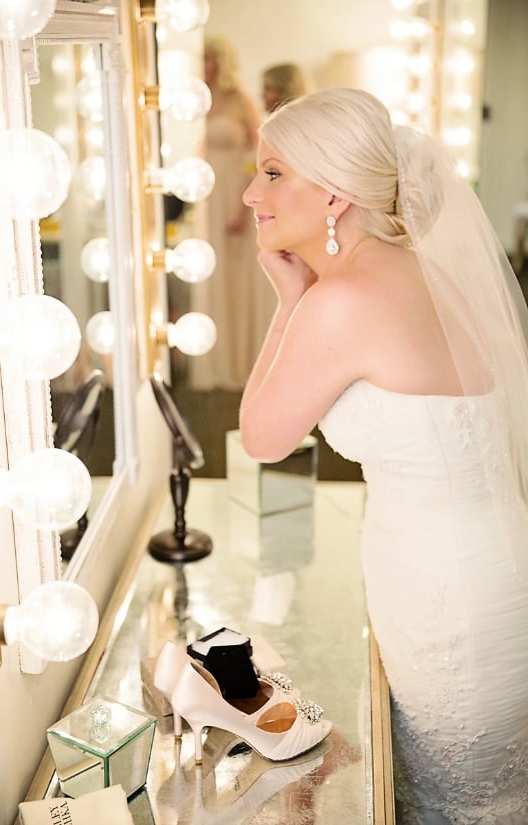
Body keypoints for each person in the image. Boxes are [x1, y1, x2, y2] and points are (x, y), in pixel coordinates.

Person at [240, 87, 528, 823]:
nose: (251, 193)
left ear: (334, 194)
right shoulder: (422, 271)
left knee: (454, 804)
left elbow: (263, 437)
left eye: (273, 173)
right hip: (488, 570)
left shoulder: (342, 301)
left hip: (446, 601)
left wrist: (287, 299)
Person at [188, 35, 275, 391]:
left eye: (209, 58)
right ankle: (218, 364)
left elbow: (259, 157)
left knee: (241, 278)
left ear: (220, 62)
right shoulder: (196, 102)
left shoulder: (240, 101)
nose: (204, 65)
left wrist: (243, 203)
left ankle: (246, 364)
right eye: (201, 58)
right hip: (208, 199)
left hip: (237, 195)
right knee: (215, 275)